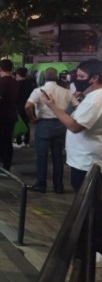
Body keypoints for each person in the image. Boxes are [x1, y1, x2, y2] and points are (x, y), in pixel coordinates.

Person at [41, 59, 102, 253]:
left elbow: (75, 126)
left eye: (82, 77)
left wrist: (53, 106)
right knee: (88, 206)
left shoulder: (96, 100)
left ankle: (95, 250)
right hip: (85, 159)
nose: (77, 79)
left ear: (95, 78)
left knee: (91, 209)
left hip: (88, 162)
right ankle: (89, 246)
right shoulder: (91, 97)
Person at [25, 67, 79, 194]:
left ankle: (41, 185)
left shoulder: (38, 91)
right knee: (58, 157)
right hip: (61, 125)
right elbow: (77, 106)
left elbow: (28, 106)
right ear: (57, 77)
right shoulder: (66, 92)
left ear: (44, 77)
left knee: (41, 157)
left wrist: (32, 118)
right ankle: (58, 187)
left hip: (43, 124)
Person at [14, 67, 36, 148]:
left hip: (19, 106)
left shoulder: (18, 84)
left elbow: (16, 96)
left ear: (17, 74)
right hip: (28, 105)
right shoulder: (30, 83)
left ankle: (19, 141)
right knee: (26, 123)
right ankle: (27, 141)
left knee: (18, 123)